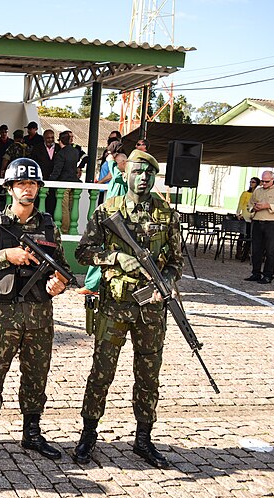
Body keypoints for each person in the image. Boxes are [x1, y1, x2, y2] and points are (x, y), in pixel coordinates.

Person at [73, 149, 182, 469]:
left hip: (151, 310)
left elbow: (175, 263)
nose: (143, 178)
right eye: (137, 172)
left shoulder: (167, 215)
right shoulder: (108, 210)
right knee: (101, 373)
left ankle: (144, 439)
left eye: (149, 174)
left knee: (148, 376)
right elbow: (84, 252)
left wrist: (169, 285)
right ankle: (88, 434)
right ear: (126, 174)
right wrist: (117, 258)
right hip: (114, 307)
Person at [0, 157, 69, 461]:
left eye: (32, 183)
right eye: (21, 183)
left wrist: (58, 283)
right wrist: (5, 255)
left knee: (36, 375)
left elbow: (60, 268)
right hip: (2, 315)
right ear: (9, 188)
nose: (27, 189)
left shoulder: (48, 226)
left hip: (39, 315)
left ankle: (32, 434)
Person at [80, 150, 128, 295]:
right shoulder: (117, 176)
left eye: (118, 163)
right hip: (109, 220)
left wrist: (111, 159)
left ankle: (92, 286)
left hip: (116, 222)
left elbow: (114, 169)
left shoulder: (123, 177)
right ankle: (93, 285)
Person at [246, 170, 274, 284]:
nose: (263, 183)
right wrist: (253, 208)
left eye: (266, 181)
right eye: (262, 181)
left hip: (272, 223)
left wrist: (268, 205)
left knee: (270, 251)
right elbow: (249, 204)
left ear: (273, 180)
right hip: (257, 222)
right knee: (256, 250)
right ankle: (256, 273)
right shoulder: (257, 191)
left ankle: (268, 275)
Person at [50, 130, 82, 234]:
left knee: (64, 209)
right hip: (74, 182)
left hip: (64, 183)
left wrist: (49, 182)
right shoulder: (75, 152)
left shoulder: (61, 154)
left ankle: (64, 230)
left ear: (60, 141)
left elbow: (57, 171)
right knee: (71, 208)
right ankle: (70, 230)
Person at [235, 176, 260, 260]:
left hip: (254, 216)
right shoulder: (245, 193)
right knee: (242, 234)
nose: (251, 183)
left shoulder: (259, 194)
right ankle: (238, 253)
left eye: (253, 182)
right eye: (250, 182)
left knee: (250, 236)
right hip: (245, 215)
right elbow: (240, 204)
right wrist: (238, 213)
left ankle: (246, 253)